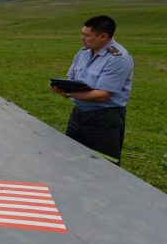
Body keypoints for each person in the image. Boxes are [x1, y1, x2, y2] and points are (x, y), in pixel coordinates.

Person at [50, 15, 133, 165]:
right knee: (70, 157)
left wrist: (68, 93)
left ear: (103, 36)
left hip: (104, 118)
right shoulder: (83, 53)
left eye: (87, 35)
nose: (82, 38)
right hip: (79, 114)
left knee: (105, 164)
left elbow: (102, 95)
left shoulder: (118, 58)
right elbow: (72, 80)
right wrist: (62, 86)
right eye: (82, 33)